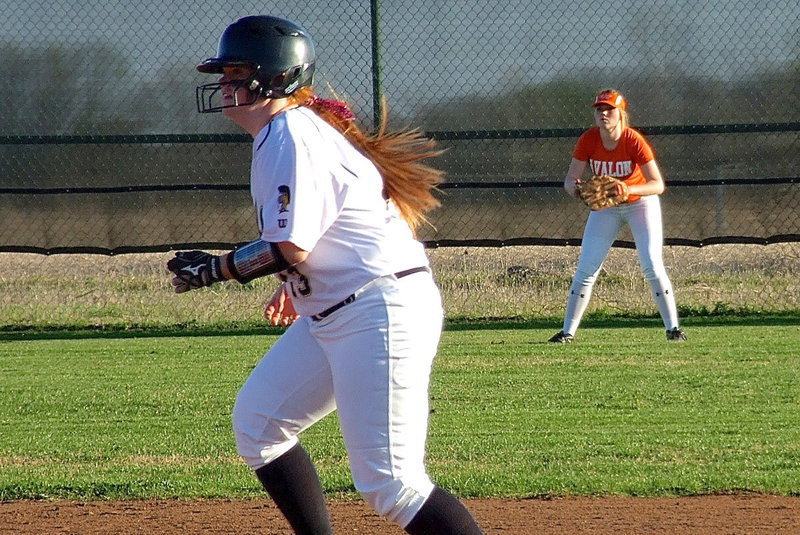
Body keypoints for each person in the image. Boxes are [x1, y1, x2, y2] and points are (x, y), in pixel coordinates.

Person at [166, 15, 484, 535]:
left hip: (378, 309)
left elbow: (289, 245)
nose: (224, 84)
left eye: (235, 72)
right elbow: (309, 239)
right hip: (339, 309)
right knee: (260, 425)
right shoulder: (283, 133)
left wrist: (217, 268)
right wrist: (292, 284)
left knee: (393, 485)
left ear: (272, 78)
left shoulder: (289, 133)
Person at [549, 89, 686, 343]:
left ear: (620, 113)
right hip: (606, 207)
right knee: (586, 268)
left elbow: (657, 184)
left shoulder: (633, 140)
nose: (603, 114)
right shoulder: (588, 140)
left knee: (651, 265)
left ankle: (673, 329)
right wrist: (576, 189)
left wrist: (629, 189)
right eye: (599, 109)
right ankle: (567, 332)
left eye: (609, 109)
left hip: (640, 203)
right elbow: (570, 179)